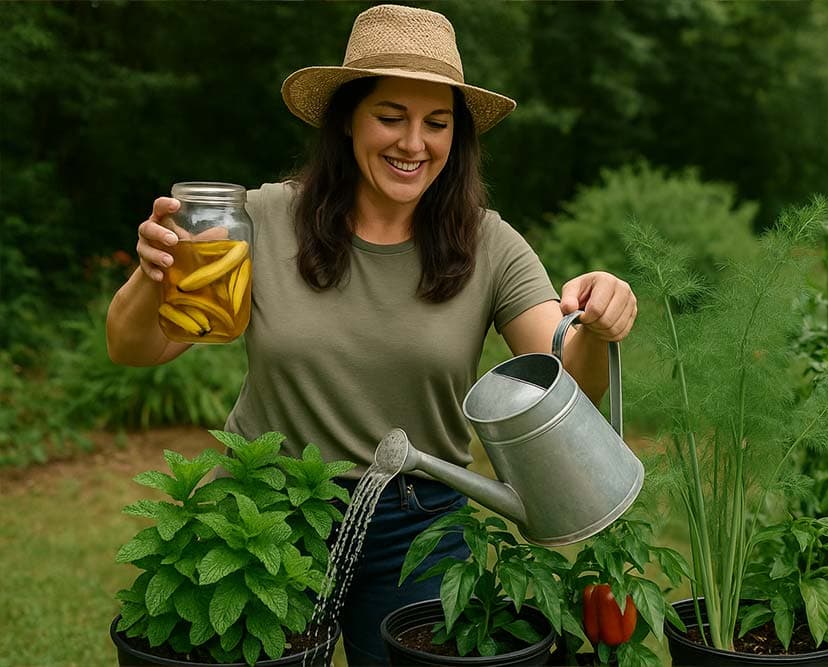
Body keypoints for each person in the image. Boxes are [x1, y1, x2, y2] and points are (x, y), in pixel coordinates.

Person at [106, 3, 637, 664]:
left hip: (420, 521)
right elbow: (136, 347)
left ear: (458, 138)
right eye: (391, 116)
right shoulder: (264, 218)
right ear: (348, 119)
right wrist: (150, 275)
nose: (413, 143)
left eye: (436, 123)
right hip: (266, 510)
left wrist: (598, 322)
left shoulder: (489, 244)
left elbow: (564, 374)